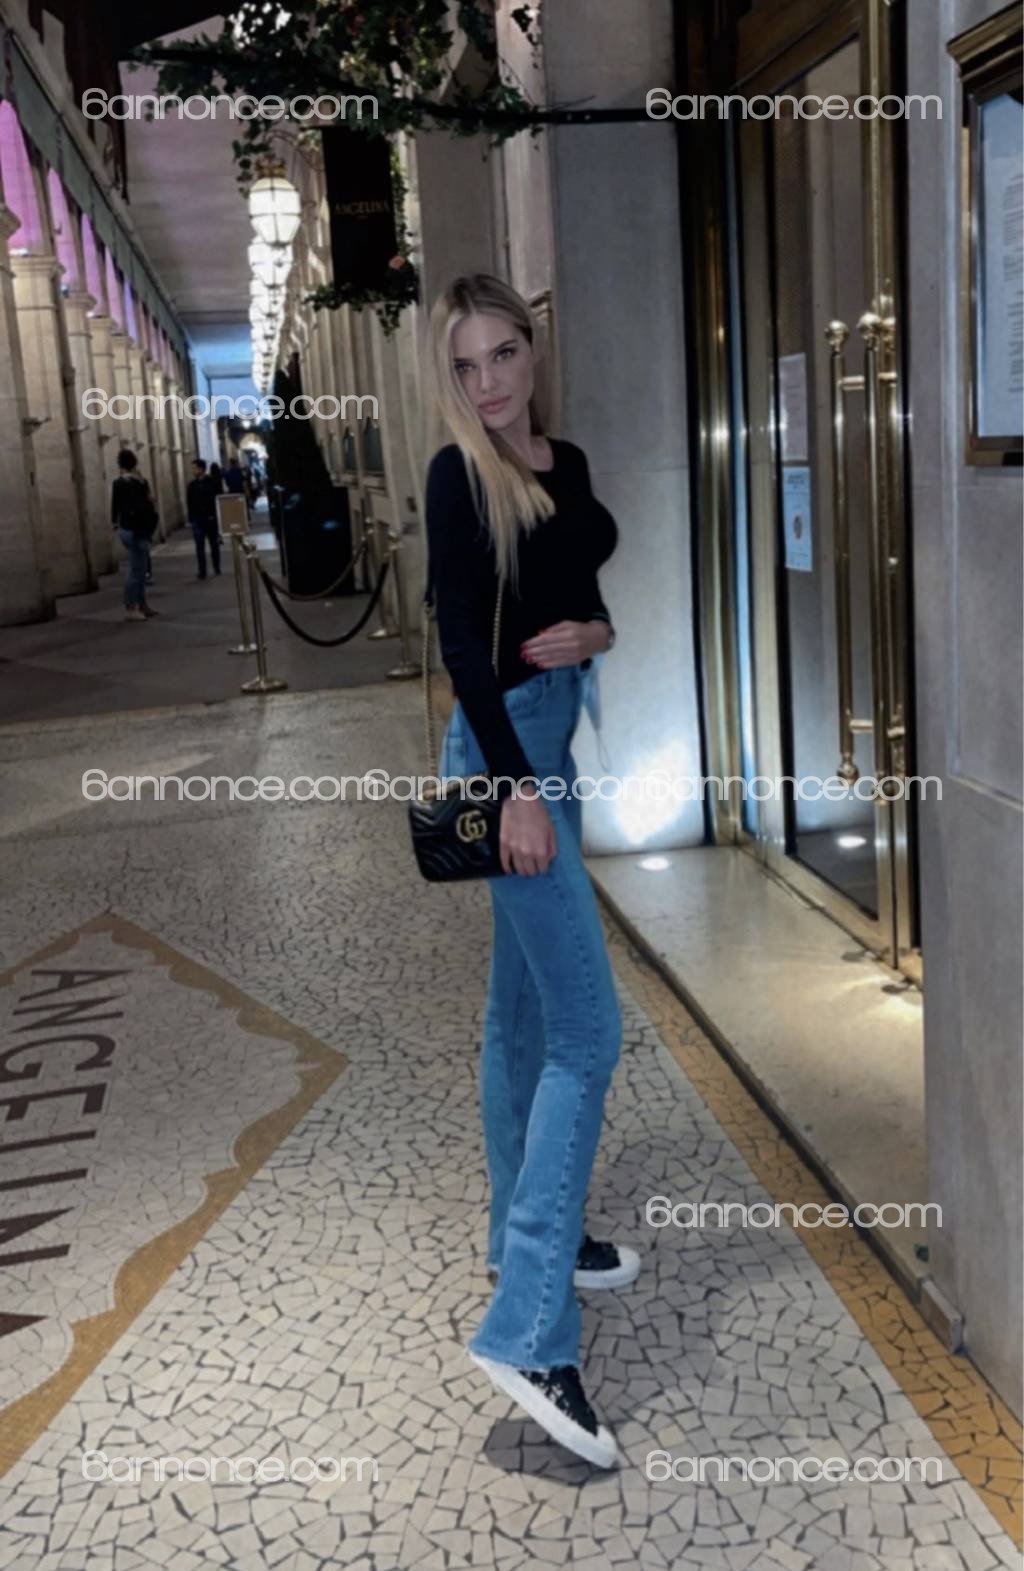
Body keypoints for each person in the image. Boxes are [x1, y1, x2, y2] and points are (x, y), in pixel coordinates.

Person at [425, 274, 634, 1470]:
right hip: (502, 753)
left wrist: (599, 634)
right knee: (587, 1033)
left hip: (555, 729)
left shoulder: (569, 460)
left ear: (531, 348)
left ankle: (527, 1241)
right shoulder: (458, 475)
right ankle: (528, 1329)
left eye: (502, 354)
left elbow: (577, 597)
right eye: (466, 365)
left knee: (520, 1017)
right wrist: (513, 789)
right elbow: (463, 642)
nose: (488, 381)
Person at [110, 448, 160, 621]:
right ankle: (131, 607)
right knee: (137, 570)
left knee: (139, 569)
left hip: (127, 528)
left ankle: (142, 605)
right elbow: (148, 503)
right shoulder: (140, 482)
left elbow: (115, 506)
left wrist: (115, 524)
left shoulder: (118, 483)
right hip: (138, 529)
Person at [187, 459, 221, 579]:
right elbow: (189, 503)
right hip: (198, 519)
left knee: (214, 544)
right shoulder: (192, 485)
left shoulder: (211, 482)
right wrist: (191, 519)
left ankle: (216, 566)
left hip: (210, 518)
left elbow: (216, 498)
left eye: (194, 468)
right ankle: (202, 571)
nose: (193, 471)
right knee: (199, 546)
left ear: (201, 469)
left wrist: (214, 516)